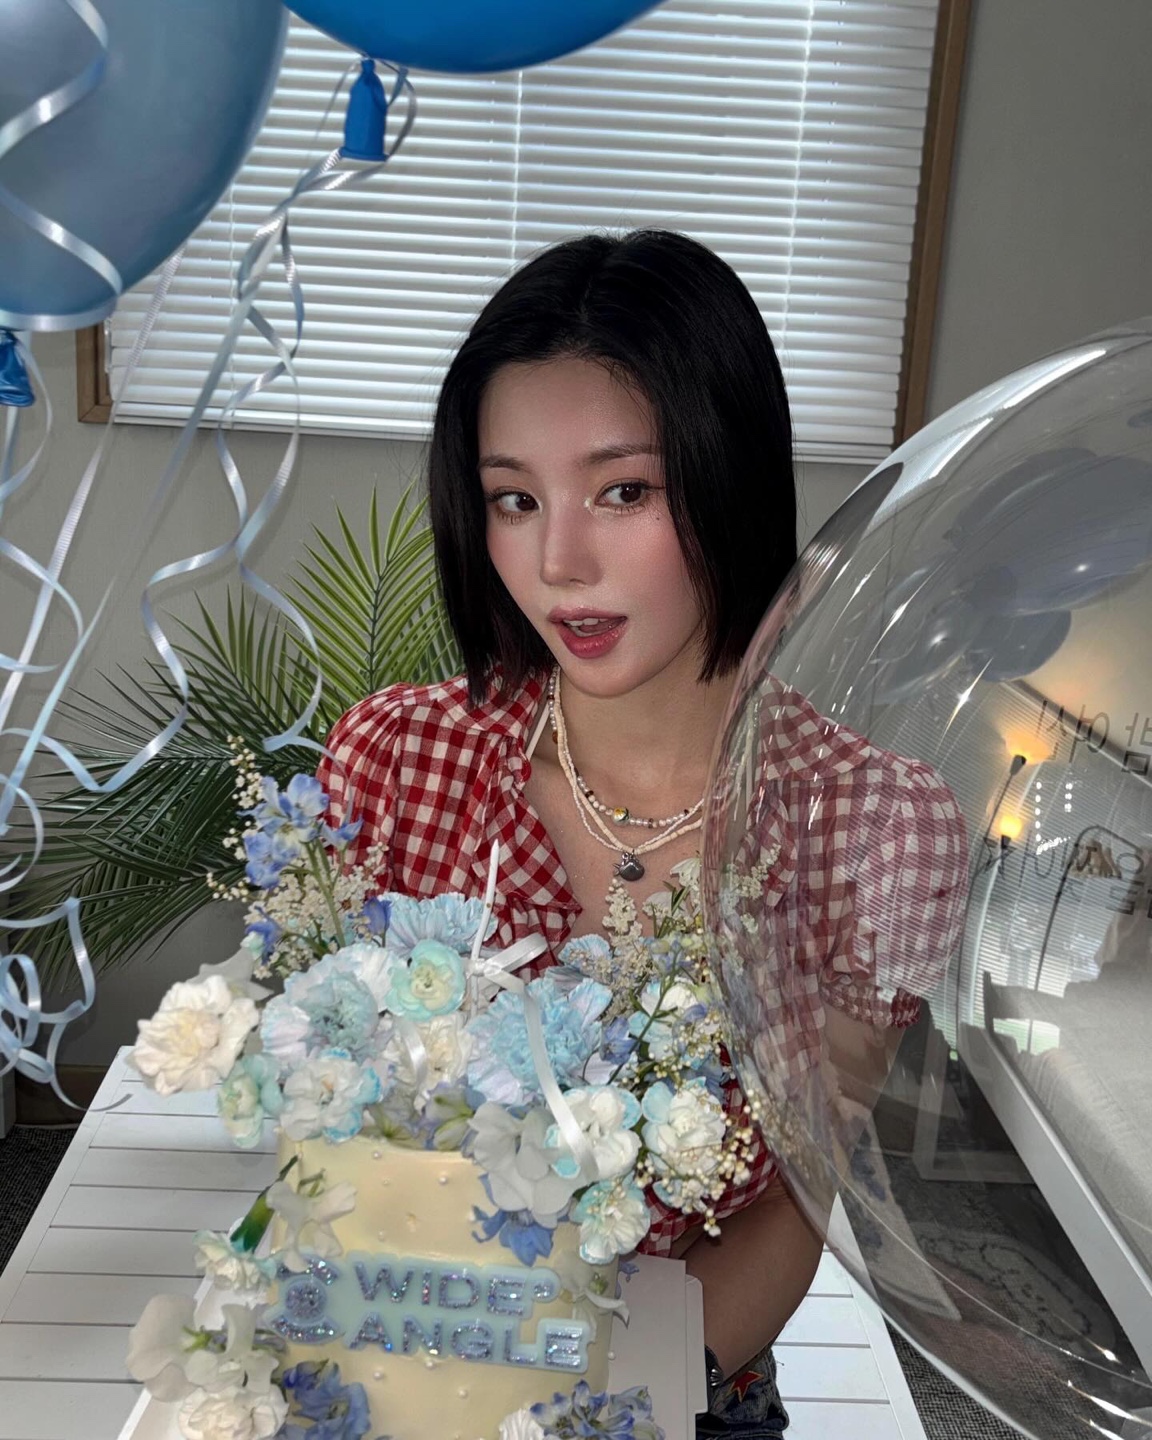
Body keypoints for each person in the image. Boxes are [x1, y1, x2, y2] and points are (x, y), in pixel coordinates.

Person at [317, 230, 964, 1438]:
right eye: (514, 500)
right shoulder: (396, 763)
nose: (559, 562)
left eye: (624, 491)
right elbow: (350, 1151)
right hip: (411, 1363)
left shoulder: (876, 829)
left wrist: (575, 1414)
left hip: (684, 1387)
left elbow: (800, 1203)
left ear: (728, 478)